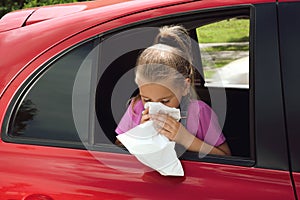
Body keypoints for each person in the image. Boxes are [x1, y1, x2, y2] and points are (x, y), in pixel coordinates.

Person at [115, 25, 231, 156]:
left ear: (185, 87)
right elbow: (117, 147)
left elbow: (225, 155)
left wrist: (186, 139)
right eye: (147, 99)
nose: (155, 105)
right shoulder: (136, 108)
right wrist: (141, 132)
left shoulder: (199, 113)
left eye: (165, 101)